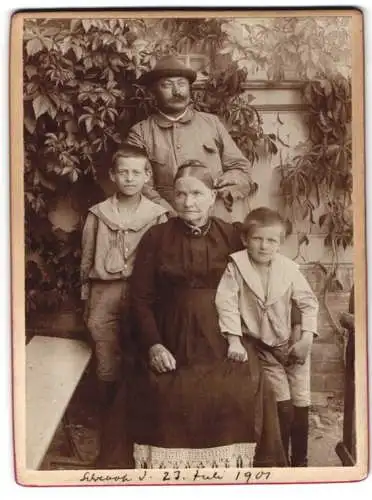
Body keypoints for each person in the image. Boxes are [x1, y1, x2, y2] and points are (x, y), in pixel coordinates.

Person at [98, 160, 287, 469]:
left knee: (239, 389)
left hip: (224, 335)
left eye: (197, 194)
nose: (188, 202)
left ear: (212, 196)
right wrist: (154, 345)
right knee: (158, 390)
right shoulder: (157, 237)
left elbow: (270, 277)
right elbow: (140, 299)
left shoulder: (233, 235)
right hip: (170, 335)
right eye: (181, 194)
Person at [215, 207, 319, 467]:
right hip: (263, 347)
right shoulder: (236, 267)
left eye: (272, 240)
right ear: (245, 240)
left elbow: (308, 303)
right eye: (257, 239)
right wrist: (234, 340)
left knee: (301, 399)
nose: (264, 246)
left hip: (293, 344)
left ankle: (301, 462)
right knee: (282, 403)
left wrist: (306, 338)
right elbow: (225, 303)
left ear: (280, 243)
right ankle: (281, 460)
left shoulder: (288, 269)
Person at [80, 146, 168, 414]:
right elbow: (87, 257)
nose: (129, 178)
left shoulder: (157, 215)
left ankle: (139, 417)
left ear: (147, 176)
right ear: (112, 176)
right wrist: (86, 297)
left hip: (141, 293)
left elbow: (163, 262)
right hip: (103, 292)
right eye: (123, 172)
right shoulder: (98, 214)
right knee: (105, 349)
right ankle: (109, 418)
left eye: (136, 172)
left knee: (141, 347)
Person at [125, 55, 255, 221]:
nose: (176, 91)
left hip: (216, 219)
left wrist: (227, 184)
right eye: (167, 85)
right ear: (153, 92)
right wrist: (173, 215)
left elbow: (240, 168)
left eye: (181, 84)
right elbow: (140, 185)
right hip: (168, 222)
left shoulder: (211, 123)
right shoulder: (140, 133)